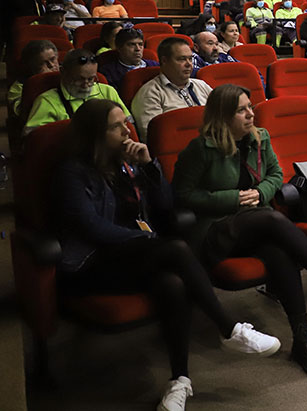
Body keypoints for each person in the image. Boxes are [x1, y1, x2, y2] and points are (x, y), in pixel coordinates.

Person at [55, 99, 281, 411]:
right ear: (95, 134)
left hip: (133, 255)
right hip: (93, 264)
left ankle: (180, 380)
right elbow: (94, 229)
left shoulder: (127, 161)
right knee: (174, 248)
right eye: (116, 126)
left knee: (172, 284)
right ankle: (229, 328)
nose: (126, 130)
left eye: (126, 123)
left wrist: (149, 166)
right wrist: (147, 239)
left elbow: (166, 206)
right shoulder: (73, 172)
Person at [173, 85, 307, 377]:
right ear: (223, 116)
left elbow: (276, 175)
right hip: (215, 231)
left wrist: (260, 192)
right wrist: (232, 198)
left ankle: (302, 341)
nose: (250, 114)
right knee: (275, 222)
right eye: (241, 110)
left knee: (280, 253)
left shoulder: (259, 137)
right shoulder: (201, 148)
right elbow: (182, 195)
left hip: (253, 223)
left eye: (250, 107)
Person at [23, 49, 130, 134]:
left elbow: (129, 124)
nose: (86, 84)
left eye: (91, 79)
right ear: (63, 73)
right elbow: (35, 140)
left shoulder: (107, 91)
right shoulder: (47, 101)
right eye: (79, 79)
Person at [132, 37, 213, 141]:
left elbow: (222, 115)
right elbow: (154, 137)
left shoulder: (201, 85)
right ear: (164, 61)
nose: (189, 64)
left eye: (190, 59)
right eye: (182, 59)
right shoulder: (150, 93)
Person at [8, 39, 60, 118]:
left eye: (53, 59)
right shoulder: (18, 87)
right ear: (32, 65)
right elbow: (22, 113)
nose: (51, 65)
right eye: (43, 63)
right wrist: (41, 81)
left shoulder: (69, 74)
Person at [99, 28, 159, 92]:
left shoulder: (155, 66)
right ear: (119, 48)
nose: (138, 49)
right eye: (132, 44)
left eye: (140, 44)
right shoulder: (108, 72)